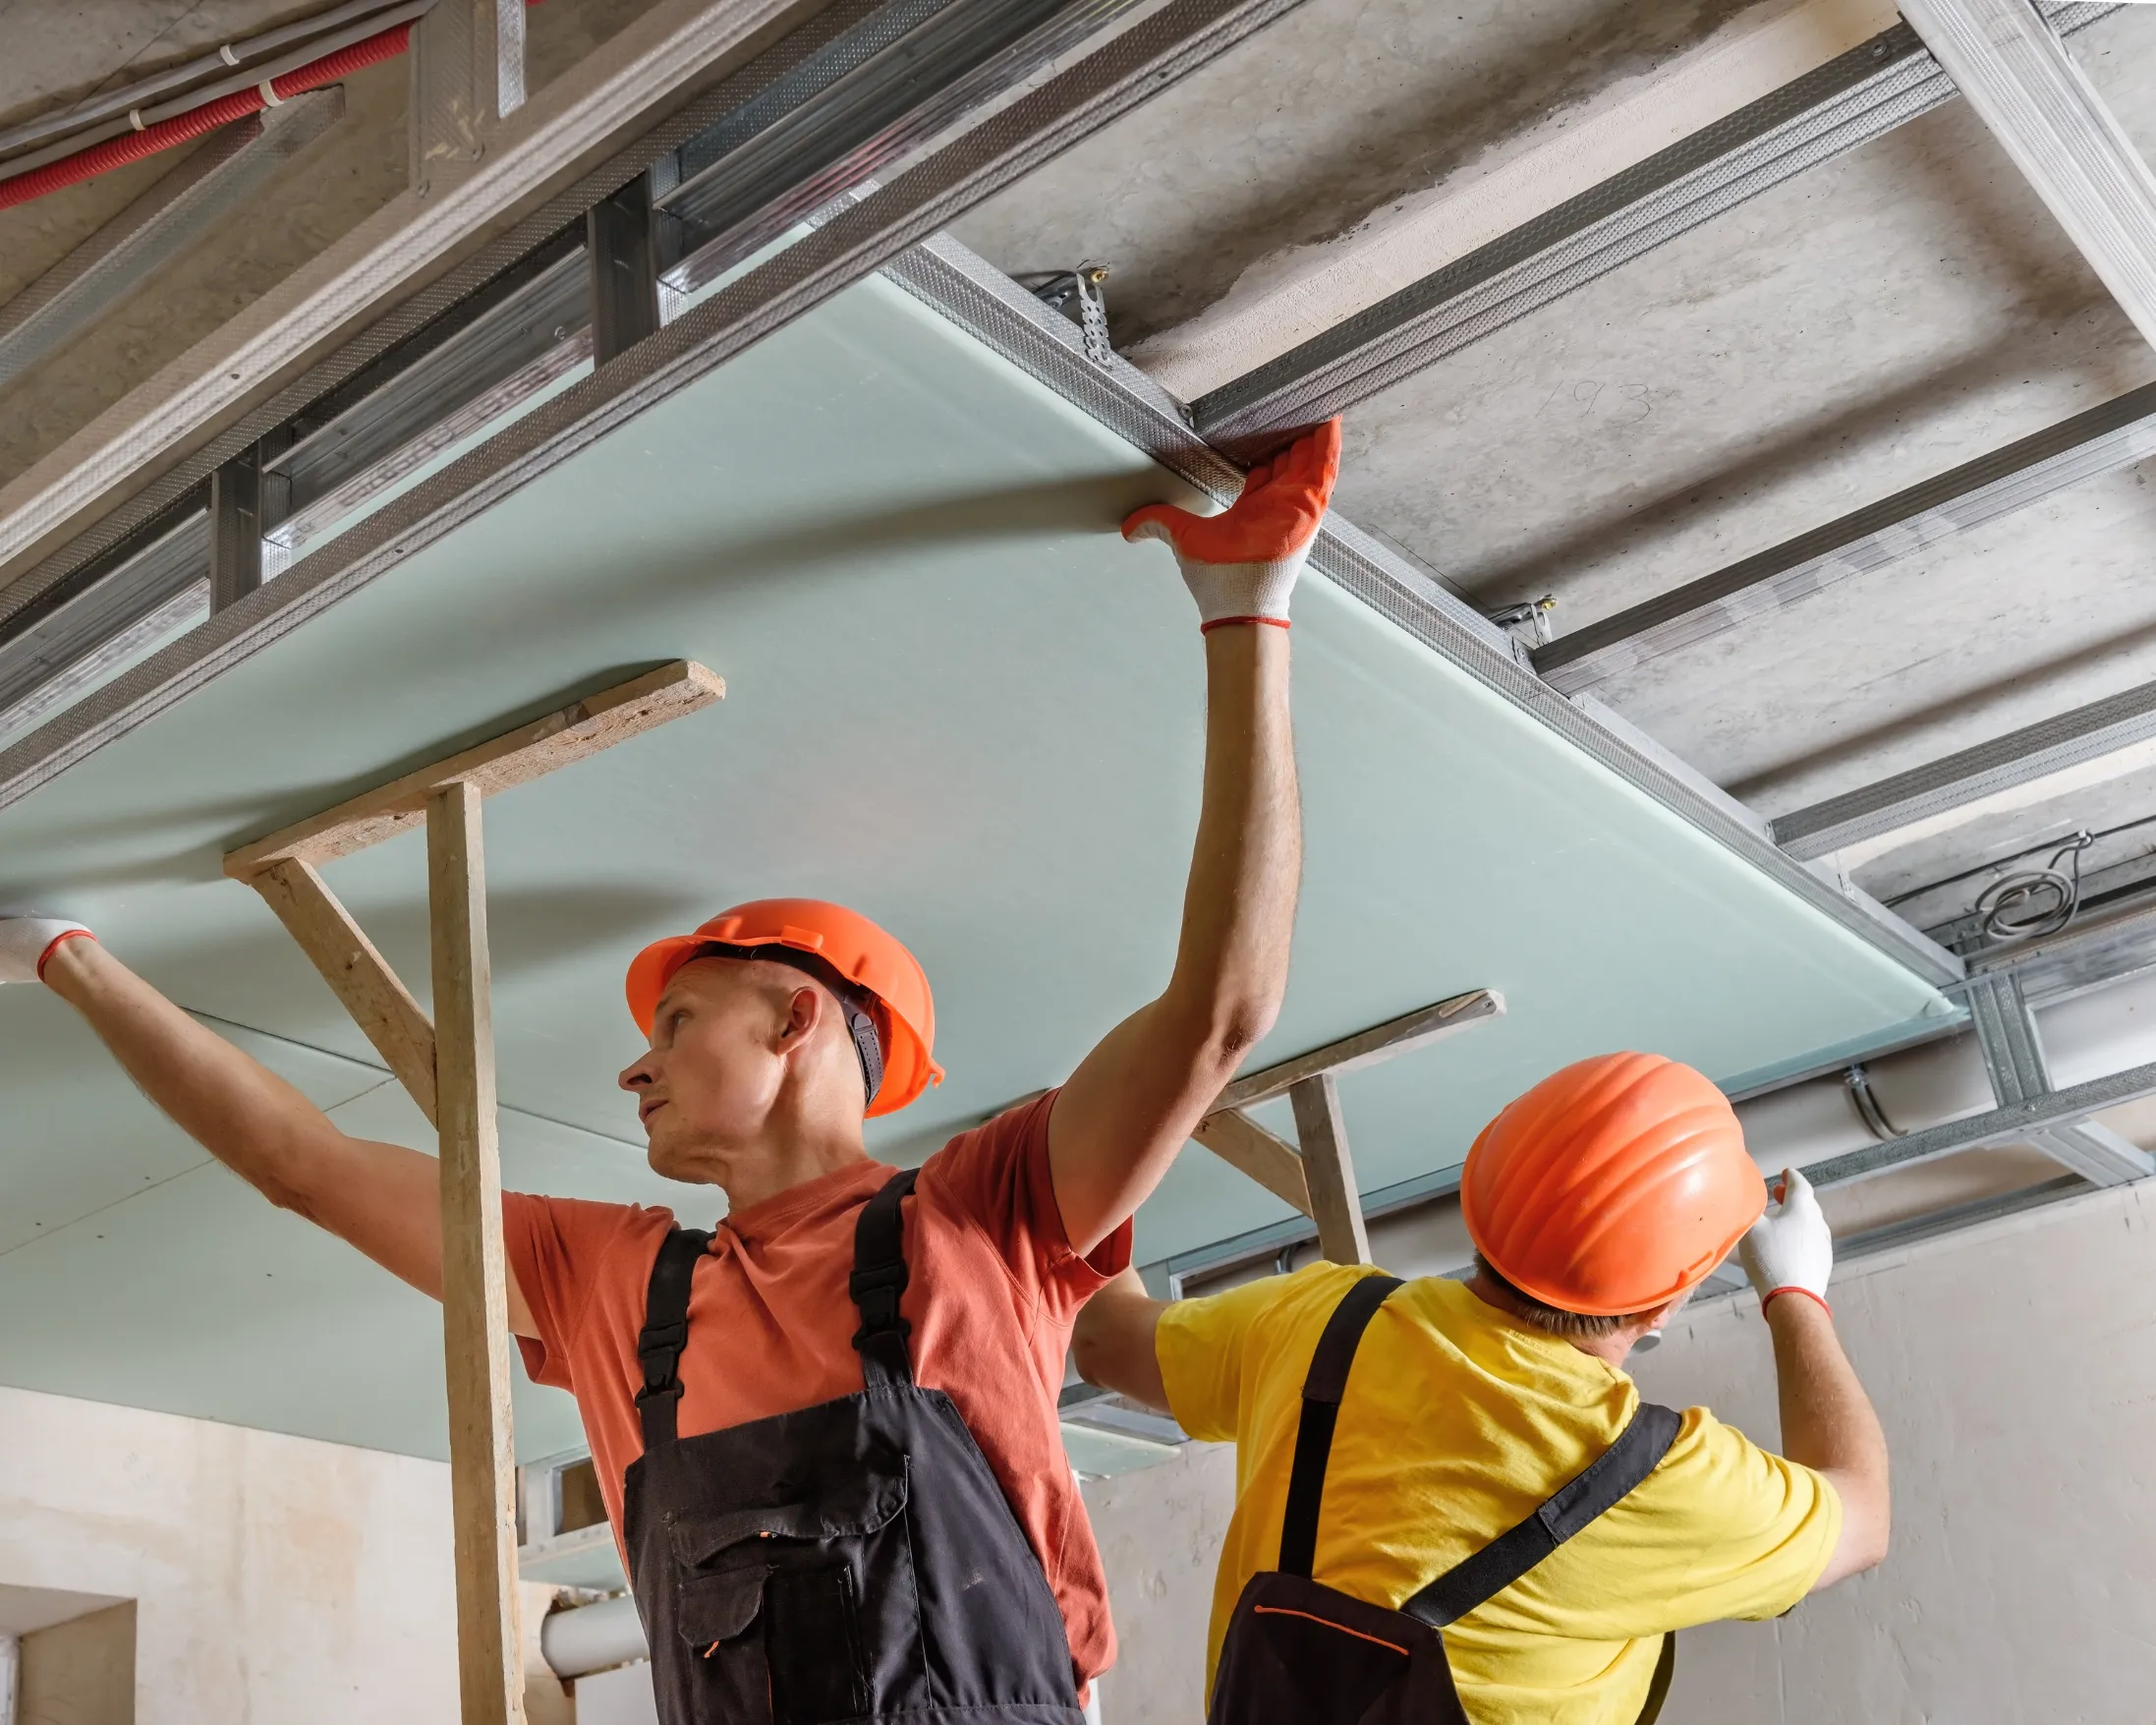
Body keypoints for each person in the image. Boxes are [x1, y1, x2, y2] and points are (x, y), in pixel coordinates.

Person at [0, 420, 1341, 1725]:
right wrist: (63, 956)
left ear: (796, 1021)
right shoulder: (612, 1285)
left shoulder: (982, 1210)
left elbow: (1220, 1010)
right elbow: (303, 1164)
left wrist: (1244, 615)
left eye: (679, 1019)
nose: (634, 1069)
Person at [1070, 1051, 1891, 1725]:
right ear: (1668, 1296)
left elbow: (1105, 1341)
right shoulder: (1657, 1475)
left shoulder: (1324, 1319)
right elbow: (1862, 1519)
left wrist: (1080, 1147)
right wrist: (1796, 1294)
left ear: (1486, 1195)